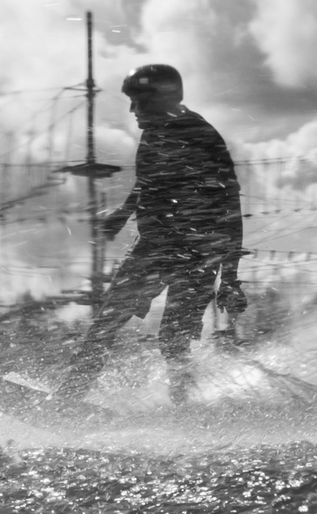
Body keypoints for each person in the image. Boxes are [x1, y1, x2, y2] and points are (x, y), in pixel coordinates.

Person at [63, 64, 244, 404]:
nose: (133, 110)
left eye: (140, 101)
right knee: (106, 322)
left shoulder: (200, 136)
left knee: (173, 341)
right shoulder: (154, 133)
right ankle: (69, 397)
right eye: (131, 102)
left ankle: (182, 407)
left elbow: (230, 203)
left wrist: (231, 277)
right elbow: (148, 182)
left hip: (197, 254)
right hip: (155, 246)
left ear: (166, 98)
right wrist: (123, 213)